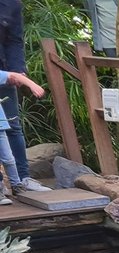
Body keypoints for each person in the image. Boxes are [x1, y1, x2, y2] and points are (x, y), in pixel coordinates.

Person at [0, 0, 43, 193]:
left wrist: (17, 70)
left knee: (12, 125)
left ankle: (22, 179)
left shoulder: (11, 4)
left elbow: (14, 40)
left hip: (5, 71)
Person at [0, 70, 44, 203]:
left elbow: (14, 76)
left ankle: (17, 184)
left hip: (0, 127)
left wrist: (32, 85)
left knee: (8, 158)